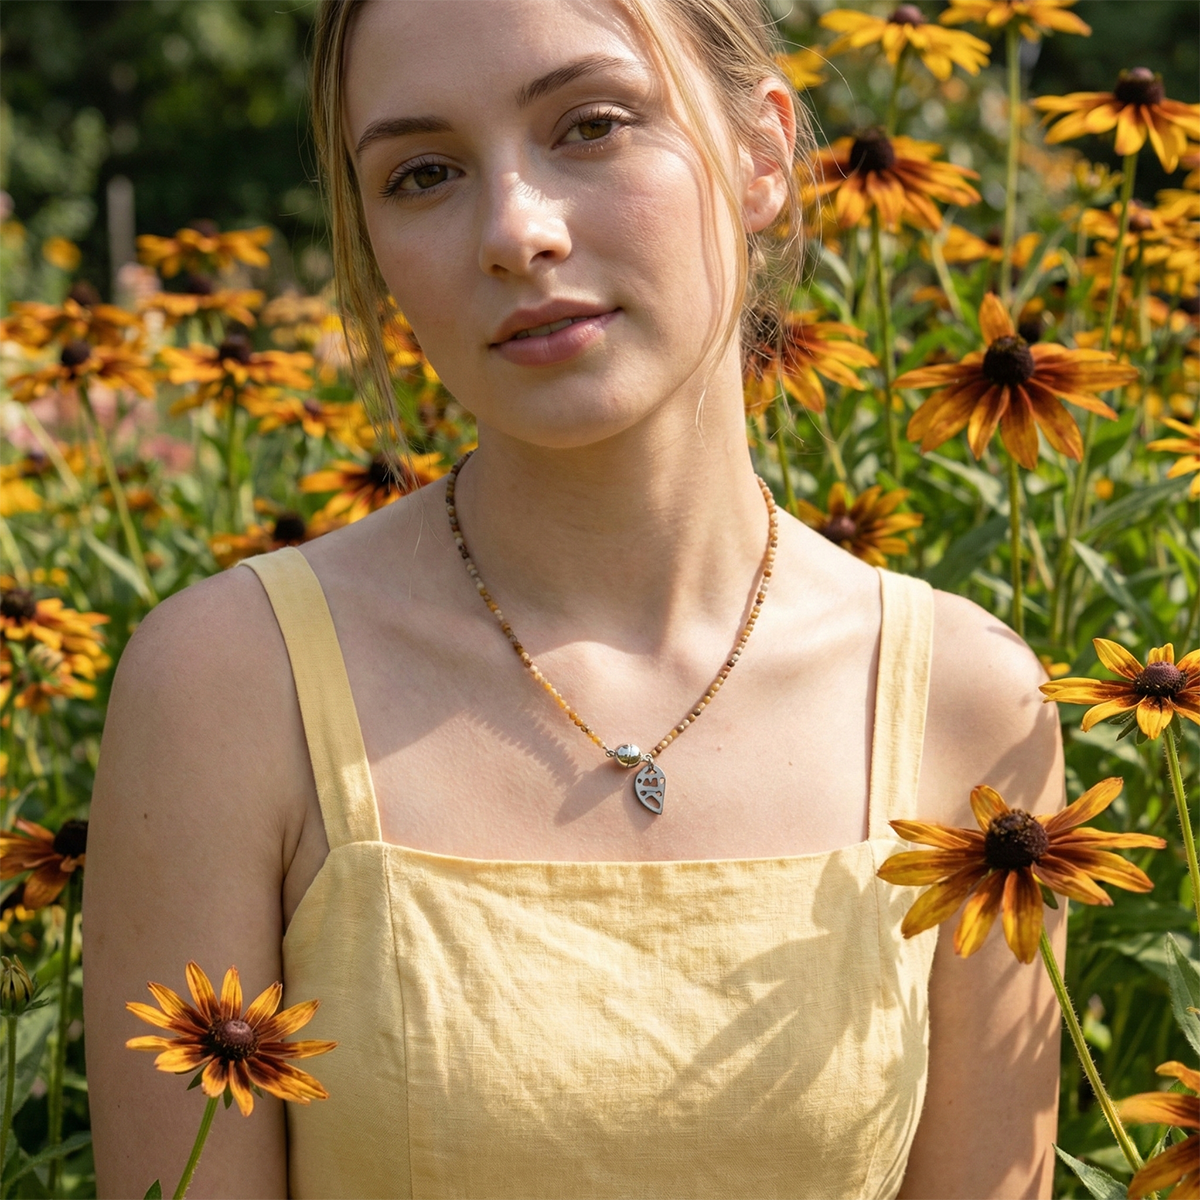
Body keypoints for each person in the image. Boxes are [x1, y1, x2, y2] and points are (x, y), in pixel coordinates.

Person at [85, 0, 1065, 1194]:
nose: (514, 230)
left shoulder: (964, 704)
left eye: (591, 124)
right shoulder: (233, 686)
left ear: (760, 155)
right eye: (424, 172)